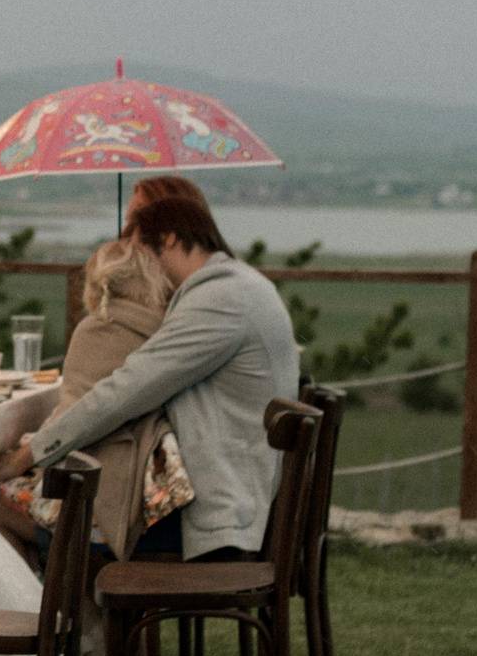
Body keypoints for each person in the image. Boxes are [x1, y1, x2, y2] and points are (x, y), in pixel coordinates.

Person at [21, 195, 298, 560]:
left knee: (1, 508)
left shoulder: (219, 299)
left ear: (167, 239)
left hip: (217, 517)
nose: (137, 267)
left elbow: (129, 389)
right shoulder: (239, 285)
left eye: (139, 252)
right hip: (235, 499)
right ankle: (83, 615)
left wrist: (32, 453)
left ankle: (53, 611)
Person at [0, 239, 189, 560]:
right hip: (161, 508)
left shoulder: (95, 329)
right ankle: (63, 596)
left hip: (98, 513)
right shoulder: (167, 333)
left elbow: (72, 418)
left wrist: (21, 457)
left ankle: (43, 601)